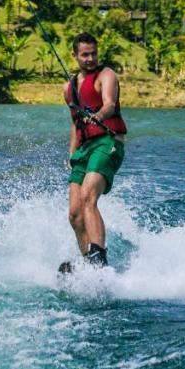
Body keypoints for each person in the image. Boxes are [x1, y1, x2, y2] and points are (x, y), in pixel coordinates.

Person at [61, 32, 127, 271]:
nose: (90, 59)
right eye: (85, 54)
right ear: (74, 55)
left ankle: (100, 258)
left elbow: (109, 104)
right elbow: (74, 124)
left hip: (107, 143)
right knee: (74, 214)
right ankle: (88, 263)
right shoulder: (68, 88)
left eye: (93, 53)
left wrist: (97, 116)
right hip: (83, 150)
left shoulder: (106, 75)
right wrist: (72, 154)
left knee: (89, 196)